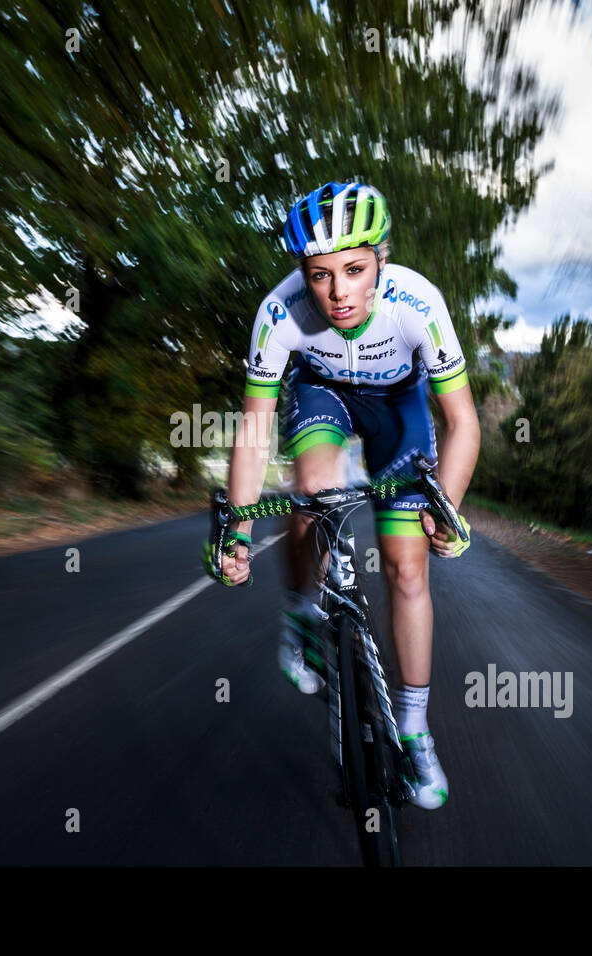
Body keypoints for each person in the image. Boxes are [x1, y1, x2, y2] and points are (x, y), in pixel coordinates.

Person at [204, 181, 480, 810]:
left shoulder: (418, 304)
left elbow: (462, 422)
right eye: (319, 275)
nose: (337, 293)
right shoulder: (281, 313)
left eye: (354, 270)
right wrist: (237, 532)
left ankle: (413, 730)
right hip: (321, 395)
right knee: (315, 489)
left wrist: (448, 508)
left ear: (382, 259)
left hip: (398, 410)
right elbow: (253, 427)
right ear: (302, 273)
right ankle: (301, 610)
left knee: (408, 570)